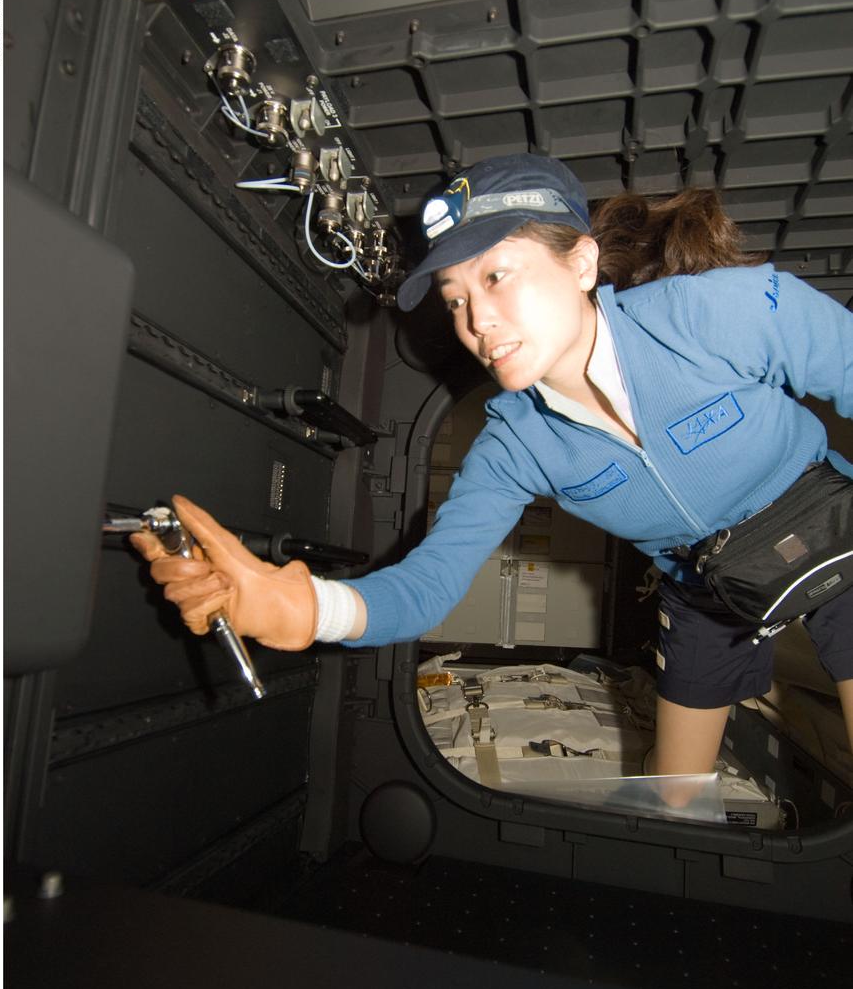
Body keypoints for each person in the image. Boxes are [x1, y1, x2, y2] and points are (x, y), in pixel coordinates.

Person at [132, 153, 853, 778]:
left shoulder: (713, 314)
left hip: (830, 528)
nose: (476, 321)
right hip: (705, 589)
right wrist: (311, 608)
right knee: (674, 796)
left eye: (497, 275)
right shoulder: (513, 444)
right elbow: (428, 585)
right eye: (456, 300)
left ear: (580, 263)